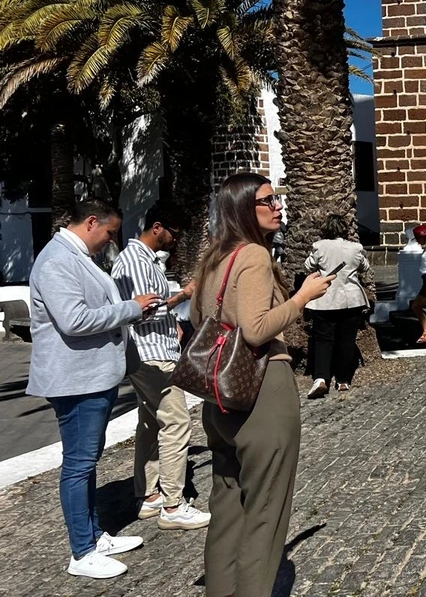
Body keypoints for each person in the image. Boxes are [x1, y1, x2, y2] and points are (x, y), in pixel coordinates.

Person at [191, 173, 334, 596]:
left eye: (277, 200)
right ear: (242, 210)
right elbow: (255, 330)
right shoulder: (253, 256)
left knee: (227, 510)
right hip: (261, 390)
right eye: (268, 202)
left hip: (219, 397)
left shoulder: (215, 257)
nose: (278, 207)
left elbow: (201, 323)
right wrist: (303, 296)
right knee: (265, 513)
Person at [26, 199, 158, 579]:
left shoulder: (73, 255)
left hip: (90, 376)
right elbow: (75, 320)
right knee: (79, 464)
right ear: (90, 222)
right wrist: (131, 308)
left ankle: (94, 536)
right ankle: (82, 552)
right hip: (75, 381)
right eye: (110, 232)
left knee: (86, 461)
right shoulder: (57, 261)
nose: (111, 241)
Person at [111, 202, 210, 531]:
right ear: (157, 227)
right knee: (177, 423)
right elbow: (146, 310)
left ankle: (150, 496)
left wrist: (174, 325)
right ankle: (172, 504)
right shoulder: (137, 261)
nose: (175, 240)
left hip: (150, 349)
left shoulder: (136, 259)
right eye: (174, 233)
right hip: (152, 354)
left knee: (151, 424)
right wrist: (184, 295)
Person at [304, 213, 371, 397]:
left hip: (325, 299)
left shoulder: (319, 246)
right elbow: (364, 266)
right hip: (351, 300)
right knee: (346, 341)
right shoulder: (355, 247)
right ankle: (343, 380)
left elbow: (308, 266)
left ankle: (321, 378)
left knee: (323, 340)